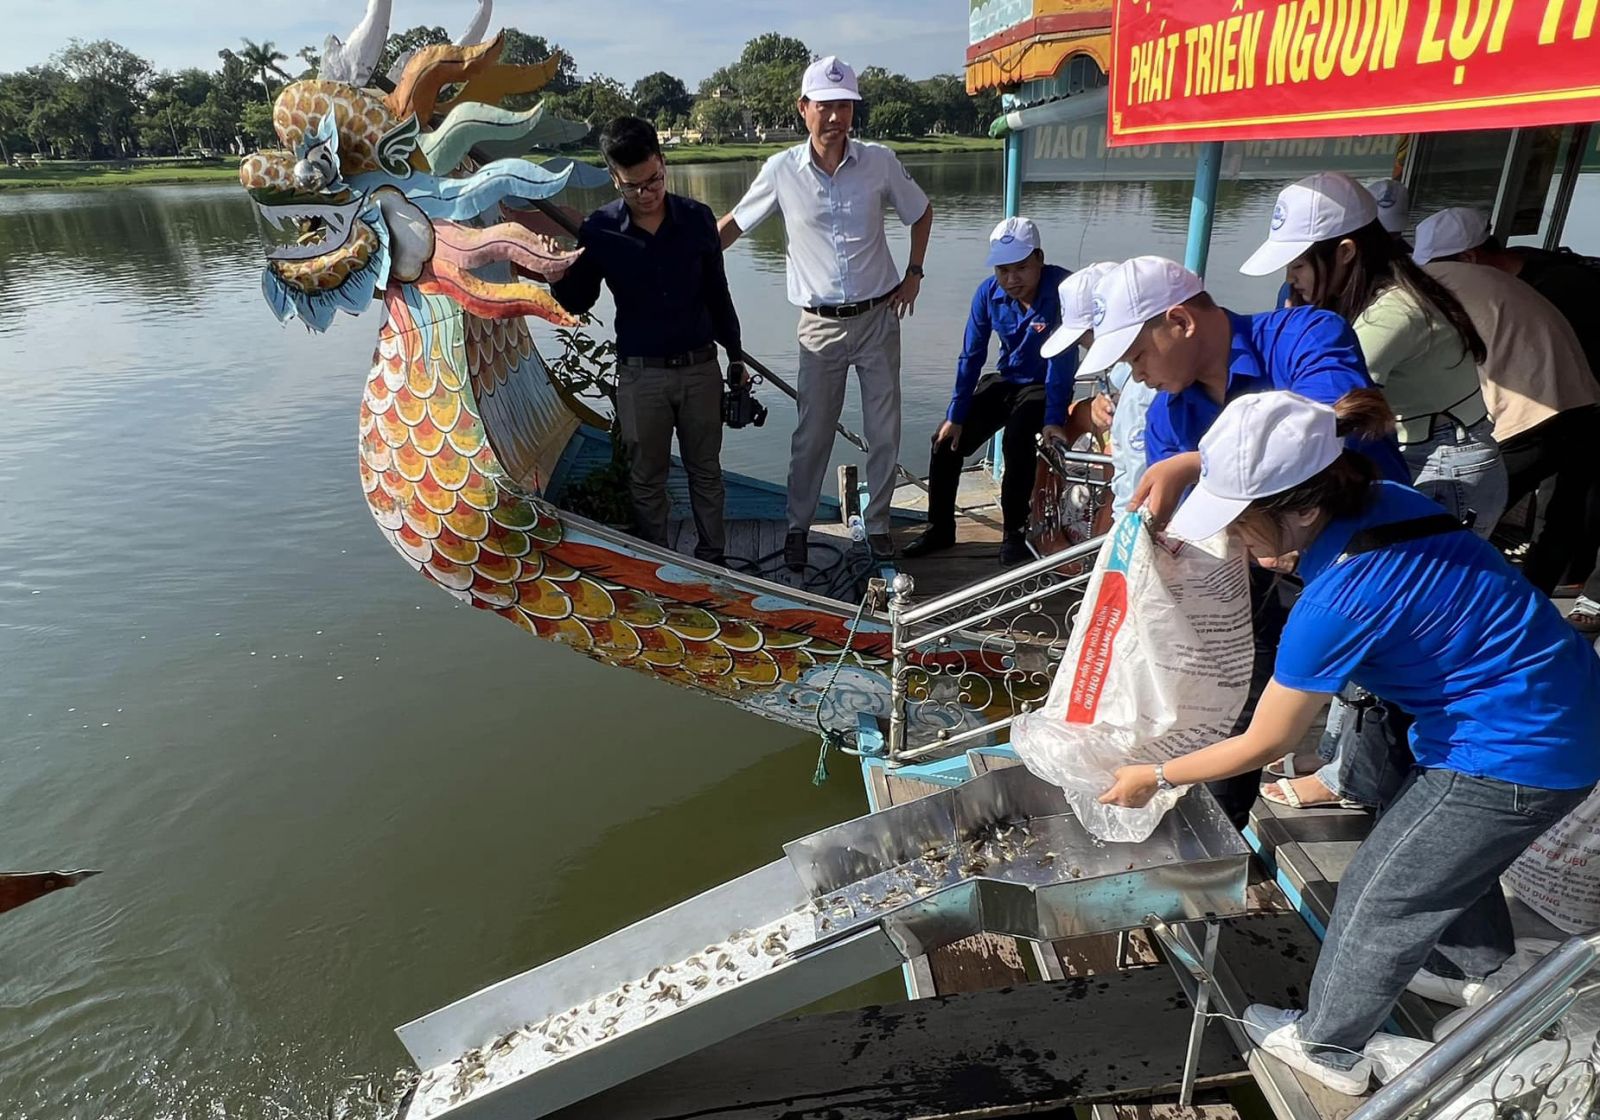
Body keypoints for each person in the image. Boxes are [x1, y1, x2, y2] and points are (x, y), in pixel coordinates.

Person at [1100, 389, 1600, 1096]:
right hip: (1562, 705)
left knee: (1380, 890)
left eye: (1242, 526)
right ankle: (1478, 966)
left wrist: (1153, 773)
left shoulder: (1335, 599)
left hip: (1515, 750)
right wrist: (1192, 465)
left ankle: (1330, 1045)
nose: (1238, 543)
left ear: (1301, 509)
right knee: (1442, 853)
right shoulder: (1388, 498)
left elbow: (1264, 740)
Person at [1081, 255, 1408, 827]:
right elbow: (1193, 526)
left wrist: (1196, 461)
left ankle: (1389, 815)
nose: (1137, 376)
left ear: (1179, 322)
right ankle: (1222, 833)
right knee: (1240, 700)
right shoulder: (1168, 414)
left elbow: (1335, 419)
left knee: (1381, 698)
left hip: (1371, 566)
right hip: (1258, 575)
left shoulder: (1306, 332)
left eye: (1137, 355)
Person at [1241, 173, 1504, 812]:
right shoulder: (1364, 296)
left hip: (1449, 468)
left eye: (1300, 264)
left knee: (1379, 627)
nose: (1293, 280)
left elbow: (1320, 405)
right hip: (1419, 454)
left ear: (1347, 251)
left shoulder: (1391, 311)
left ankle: (1351, 780)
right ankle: (1345, 764)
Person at [718, 56, 934, 568]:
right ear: (803, 109)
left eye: (845, 106)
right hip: (819, 326)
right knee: (811, 434)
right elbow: (733, 226)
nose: (836, 117)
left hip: (880, 317)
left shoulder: (879, 161)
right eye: (826, 106)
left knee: (885, 430)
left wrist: (915, 273)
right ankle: (798, 526)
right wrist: (680, 255)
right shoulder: (781, 171)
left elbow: (921, 210)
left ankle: (878, 524)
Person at [549, 117, 743, 565]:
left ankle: (714, 559)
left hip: (699, 368)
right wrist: (555, 273)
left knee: (706, 472)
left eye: (654, 179)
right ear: (615, 178)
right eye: (632, 186)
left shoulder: (695, 220)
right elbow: (579, 301)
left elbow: (719, 293)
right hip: (641, 376)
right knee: (646, 477)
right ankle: (660, 563)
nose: (646, 192)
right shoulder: (600, 230)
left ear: (663, 161)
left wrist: (735, 358)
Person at [1417, 206, 1600, 630]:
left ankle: (1457, 611)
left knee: (1472, 504)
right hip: (1575, 405)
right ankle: (1532, 607)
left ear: (1467, 258)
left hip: (1559, 410)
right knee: (1561, 515)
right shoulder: (1521, 278)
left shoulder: (1565, 286)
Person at [903, 218, 1082, 566]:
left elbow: (1062, 361)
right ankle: (940, 528)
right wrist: (956, 415)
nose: (1012, 279)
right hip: (1007, 380)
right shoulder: (987, 293)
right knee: (945, 442)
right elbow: (971, 355)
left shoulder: (1063, 289)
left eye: (1021, 268)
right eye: (1003, 270)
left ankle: (1014, 532)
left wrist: (1054, 418)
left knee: (1016, 441)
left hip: (1045, 384)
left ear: (1039, 259)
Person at [1037, 260, 1146, 515]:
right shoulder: (1124, 372)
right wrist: (1099, 404)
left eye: (1085, 337)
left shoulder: (1147, 384)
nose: (1084, 346)